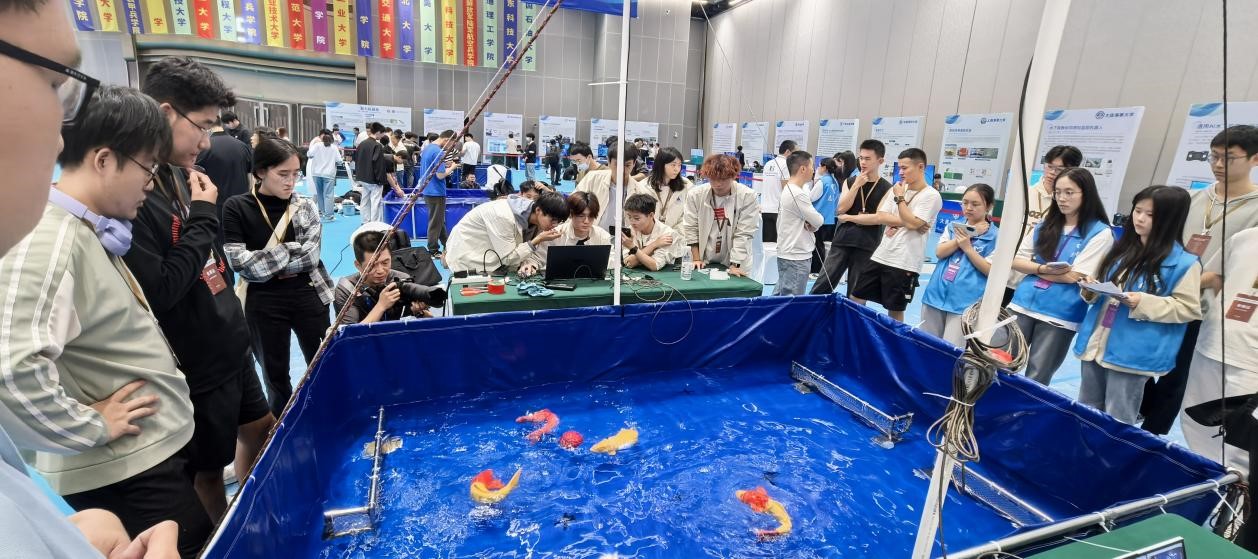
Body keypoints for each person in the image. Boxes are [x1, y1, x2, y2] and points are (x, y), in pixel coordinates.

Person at [0, 84, 210, 556]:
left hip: (144, 453)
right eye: (148, 168)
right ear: (103, 160)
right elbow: (9, 368)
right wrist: (89, 425)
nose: (151, 183)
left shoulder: (85, 229)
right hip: (125, 467)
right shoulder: (49, 243)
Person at [130, 57, 277, 529]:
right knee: (207, 471)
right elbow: (162, 290)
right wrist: (202, 215)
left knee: (261, 429)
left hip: (229, 340)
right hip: (197, 362)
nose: (207, 142)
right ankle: (225, 539)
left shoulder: (179, 176)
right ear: (166, 113)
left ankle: (254, 517)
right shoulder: (134, 196)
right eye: (203, 126)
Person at [1143, 125, 1258, 435]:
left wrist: (1193, 282)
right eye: (1213, 156)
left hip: (1203, 309)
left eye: (1228, 158)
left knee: (1177, 377)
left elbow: (1242, 269)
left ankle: (1151, 437)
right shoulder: (1192, 198)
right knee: (1138, 362)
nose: (1218, 164)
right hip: (1162, 296)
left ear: (1254, 159)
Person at [223, 138, 334, 416]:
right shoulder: (236, 207)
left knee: (323, 364)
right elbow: (239, 263)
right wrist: (288, 249)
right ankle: (283, 427)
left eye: (296, 174)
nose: (291, 182)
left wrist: (263, 262)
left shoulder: (306, 206)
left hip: (308, 293)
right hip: (263, 302)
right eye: (283, 174)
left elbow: (310, 258)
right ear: (260, 171)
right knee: (274, 376)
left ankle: (326, 416)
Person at [1073, 186, 1200, 425]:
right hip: (1096, 342)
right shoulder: (1122, 251)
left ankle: (1112, 451)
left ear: (1170, 220)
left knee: (1119, 416)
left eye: (1150, 214)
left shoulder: (1184, 263)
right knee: (1087, 408)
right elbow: (1103, 291)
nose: (1139, 218)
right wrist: (1090, 289)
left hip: (1132, 353)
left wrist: (1143, 302)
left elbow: (1188, 308)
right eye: (1137, 210)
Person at [1008, 168, 1114, 385]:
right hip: (1021, 304)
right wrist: (1043, 269)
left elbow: (1074, 276)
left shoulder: (1100, 233)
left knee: (1037, 377)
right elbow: (1016, 260)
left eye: (1069, 192)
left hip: (1059, 315)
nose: (1062, 198)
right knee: (1000, 362)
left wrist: (1034, 267)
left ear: (1086, 193)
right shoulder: (1045, 224)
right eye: (1057, 192)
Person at [1180, 227, 1258, 473]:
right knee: (1196, 419)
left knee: (1243, 438)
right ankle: (1202, 479)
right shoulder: (1244, 238)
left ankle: (1238, 489)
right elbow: (1215, 276)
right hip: (1213, 342)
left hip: (1251, 360)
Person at [848, 148, 943, 323]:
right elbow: (881, 216)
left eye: (905, 168)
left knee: (895, 308)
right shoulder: (898, 188)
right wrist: (909, 221)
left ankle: (893, 339)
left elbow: (913, 223)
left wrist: (900, 200)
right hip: (881, 254)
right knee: (856, 296)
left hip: (904, 261)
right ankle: (855, 330)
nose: (901, 172)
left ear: (920, 167)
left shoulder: (931, 195)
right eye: (899, 168)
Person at [920, 184, 999, 346]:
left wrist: (968, 248)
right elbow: (940, 252)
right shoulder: (953, 227)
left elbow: (990, 270)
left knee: (952, 350)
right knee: (925, 345)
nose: (968, 208)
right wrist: (967, 234)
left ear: (989, 206)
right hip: (935, 295)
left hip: (963, 304)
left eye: (975, 204)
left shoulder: (996, 236)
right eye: (965, 202)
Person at [1004, 145, 1083, 306]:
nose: (1052, 173)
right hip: (1008, 273)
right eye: (1049, 166)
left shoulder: (1071, 204)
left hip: (1041, 280)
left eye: (1059, 169)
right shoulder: (1024, 194)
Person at [812, 140, 891, 296]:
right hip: (843, 240)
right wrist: (856, 186)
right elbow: (840, 209)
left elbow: (878, 218)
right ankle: (813, 311)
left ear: (880, 161)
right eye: (861, 158)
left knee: (856, 292)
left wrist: (849, 218)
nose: (863, 162)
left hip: (867, 243)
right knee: (822, 285)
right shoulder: (850, 181)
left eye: (868, 158)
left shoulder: (887, 187)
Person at [333, 225, 446, 326]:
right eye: (372, 265)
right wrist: (381, 306)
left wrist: (419, 313)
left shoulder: (401, 278)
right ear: (358, 265)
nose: (380, 271)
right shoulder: (347, 289)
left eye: (385, 262)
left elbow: (430, 321)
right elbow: (350, 336)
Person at [444, 192, 570, 276]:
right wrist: (537, 240)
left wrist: (527, 264)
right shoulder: (503, 216)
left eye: (559, 222)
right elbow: (508, 259)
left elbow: (521, 252)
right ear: (538, 210)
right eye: (553, 220)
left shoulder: (537, 221)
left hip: (492, 259)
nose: (555, 225)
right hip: (468, 258)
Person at [682, 154, 760, 277]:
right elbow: (691, 228)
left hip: (736, 260)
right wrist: (696, 259)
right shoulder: (695, 195)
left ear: (733, 176)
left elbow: (744, 233)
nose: (718, 184)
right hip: (703, 257)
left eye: (723, 179)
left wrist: (735, 265)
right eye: (713, 179)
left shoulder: (747, 196)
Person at [194, 110, 254, 260]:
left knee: (220, 249)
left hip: (217, 205)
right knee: (242, 246)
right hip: (242, 203)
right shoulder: (242, 146)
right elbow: (250, 172)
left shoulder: (205, 149)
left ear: (207, 127)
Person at [518, 191, 615, 277]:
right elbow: (536, 259)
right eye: (581, 216)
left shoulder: (602, 236)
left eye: (591, 216)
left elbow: (613, 261)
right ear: (571, 214)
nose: (586, 221)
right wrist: (530, 265)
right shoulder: (555, 234)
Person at [774, 151, 824, 296]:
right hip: (796, 256)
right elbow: (818, 220)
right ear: (803, 169)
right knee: (792, 302)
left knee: (780, 298)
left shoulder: (790, 189)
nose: (814, 170)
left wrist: (811, 224)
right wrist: (813, 224)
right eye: (812, 166)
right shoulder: (797, 193)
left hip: (789, 252)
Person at [577, 141, 639, 235]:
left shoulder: (640, 190)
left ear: (634, 163)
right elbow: (574, 205)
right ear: (608, 161)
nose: (622, 170)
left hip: (623, 240)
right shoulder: (592, 179)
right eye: (617, 164)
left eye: (627, 165)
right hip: (591, 236)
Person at [419, 129, 459, 257]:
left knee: (439, 220)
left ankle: (447, 244)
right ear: (447, 140)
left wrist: (444, 164)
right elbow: (440, 175)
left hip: (428, 190)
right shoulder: (438, 152)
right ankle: (433, 249)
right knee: (436, 222)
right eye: (452, 144)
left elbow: (431, 167)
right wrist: (452, 167)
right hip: (436, 191)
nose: (451, 147)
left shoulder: (428, 148)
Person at [353, 122, 403, 223]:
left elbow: (356, 159)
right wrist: (381, 180)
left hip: (362, 177)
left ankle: (365, 221)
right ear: (378, 132)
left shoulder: (362, 144)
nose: (383, 136)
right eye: (382, 133)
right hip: (373, 179)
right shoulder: (377, 146)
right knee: (376, 202)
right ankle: (375, 223)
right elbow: (378, 164)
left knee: (365, 200)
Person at [622, 193, 683, 272]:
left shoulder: (667, 234)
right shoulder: (630, 230)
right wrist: (653, 245)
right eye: (629, 217)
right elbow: (628, 263)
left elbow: (654, 265)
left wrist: (632, 248)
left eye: (637, 218)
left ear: (651, 215)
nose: (632, 222)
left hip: (662, 276)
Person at [636, 146, 692, 231]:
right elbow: (637, 216)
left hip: (675, 235)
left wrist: (673, 234)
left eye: (679, 165)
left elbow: (688, 215)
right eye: (673, 165)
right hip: (649, 234)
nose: (677, 169)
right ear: (661, 165)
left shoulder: (686, 186)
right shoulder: (643, 187)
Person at [807, 155, 844, 274]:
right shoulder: (835, 182)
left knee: (816, 246)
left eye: (819, 166)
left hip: (818, 217)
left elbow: (811, 198)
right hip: (829, 218)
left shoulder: (823, 182)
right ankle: (818, 269)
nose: (818, 168)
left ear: (824, 167)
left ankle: (816, 270)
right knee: (820, 245)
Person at [759, 140, 795, 243]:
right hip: (777, 210)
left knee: (766, 243)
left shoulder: (768, 163)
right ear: (788, 151)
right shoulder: (786, 164)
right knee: (774, 245)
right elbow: (786, 189)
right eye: (795, 152)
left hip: (764, 208)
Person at [306, 128, 343, 222]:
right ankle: (329, 215)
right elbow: (339, 161)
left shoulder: (317, 145)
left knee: (319, 193)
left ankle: (321, 212)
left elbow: (309, 154)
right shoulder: (334, 147)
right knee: (328, 195)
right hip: (329, 174)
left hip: (316, 173)